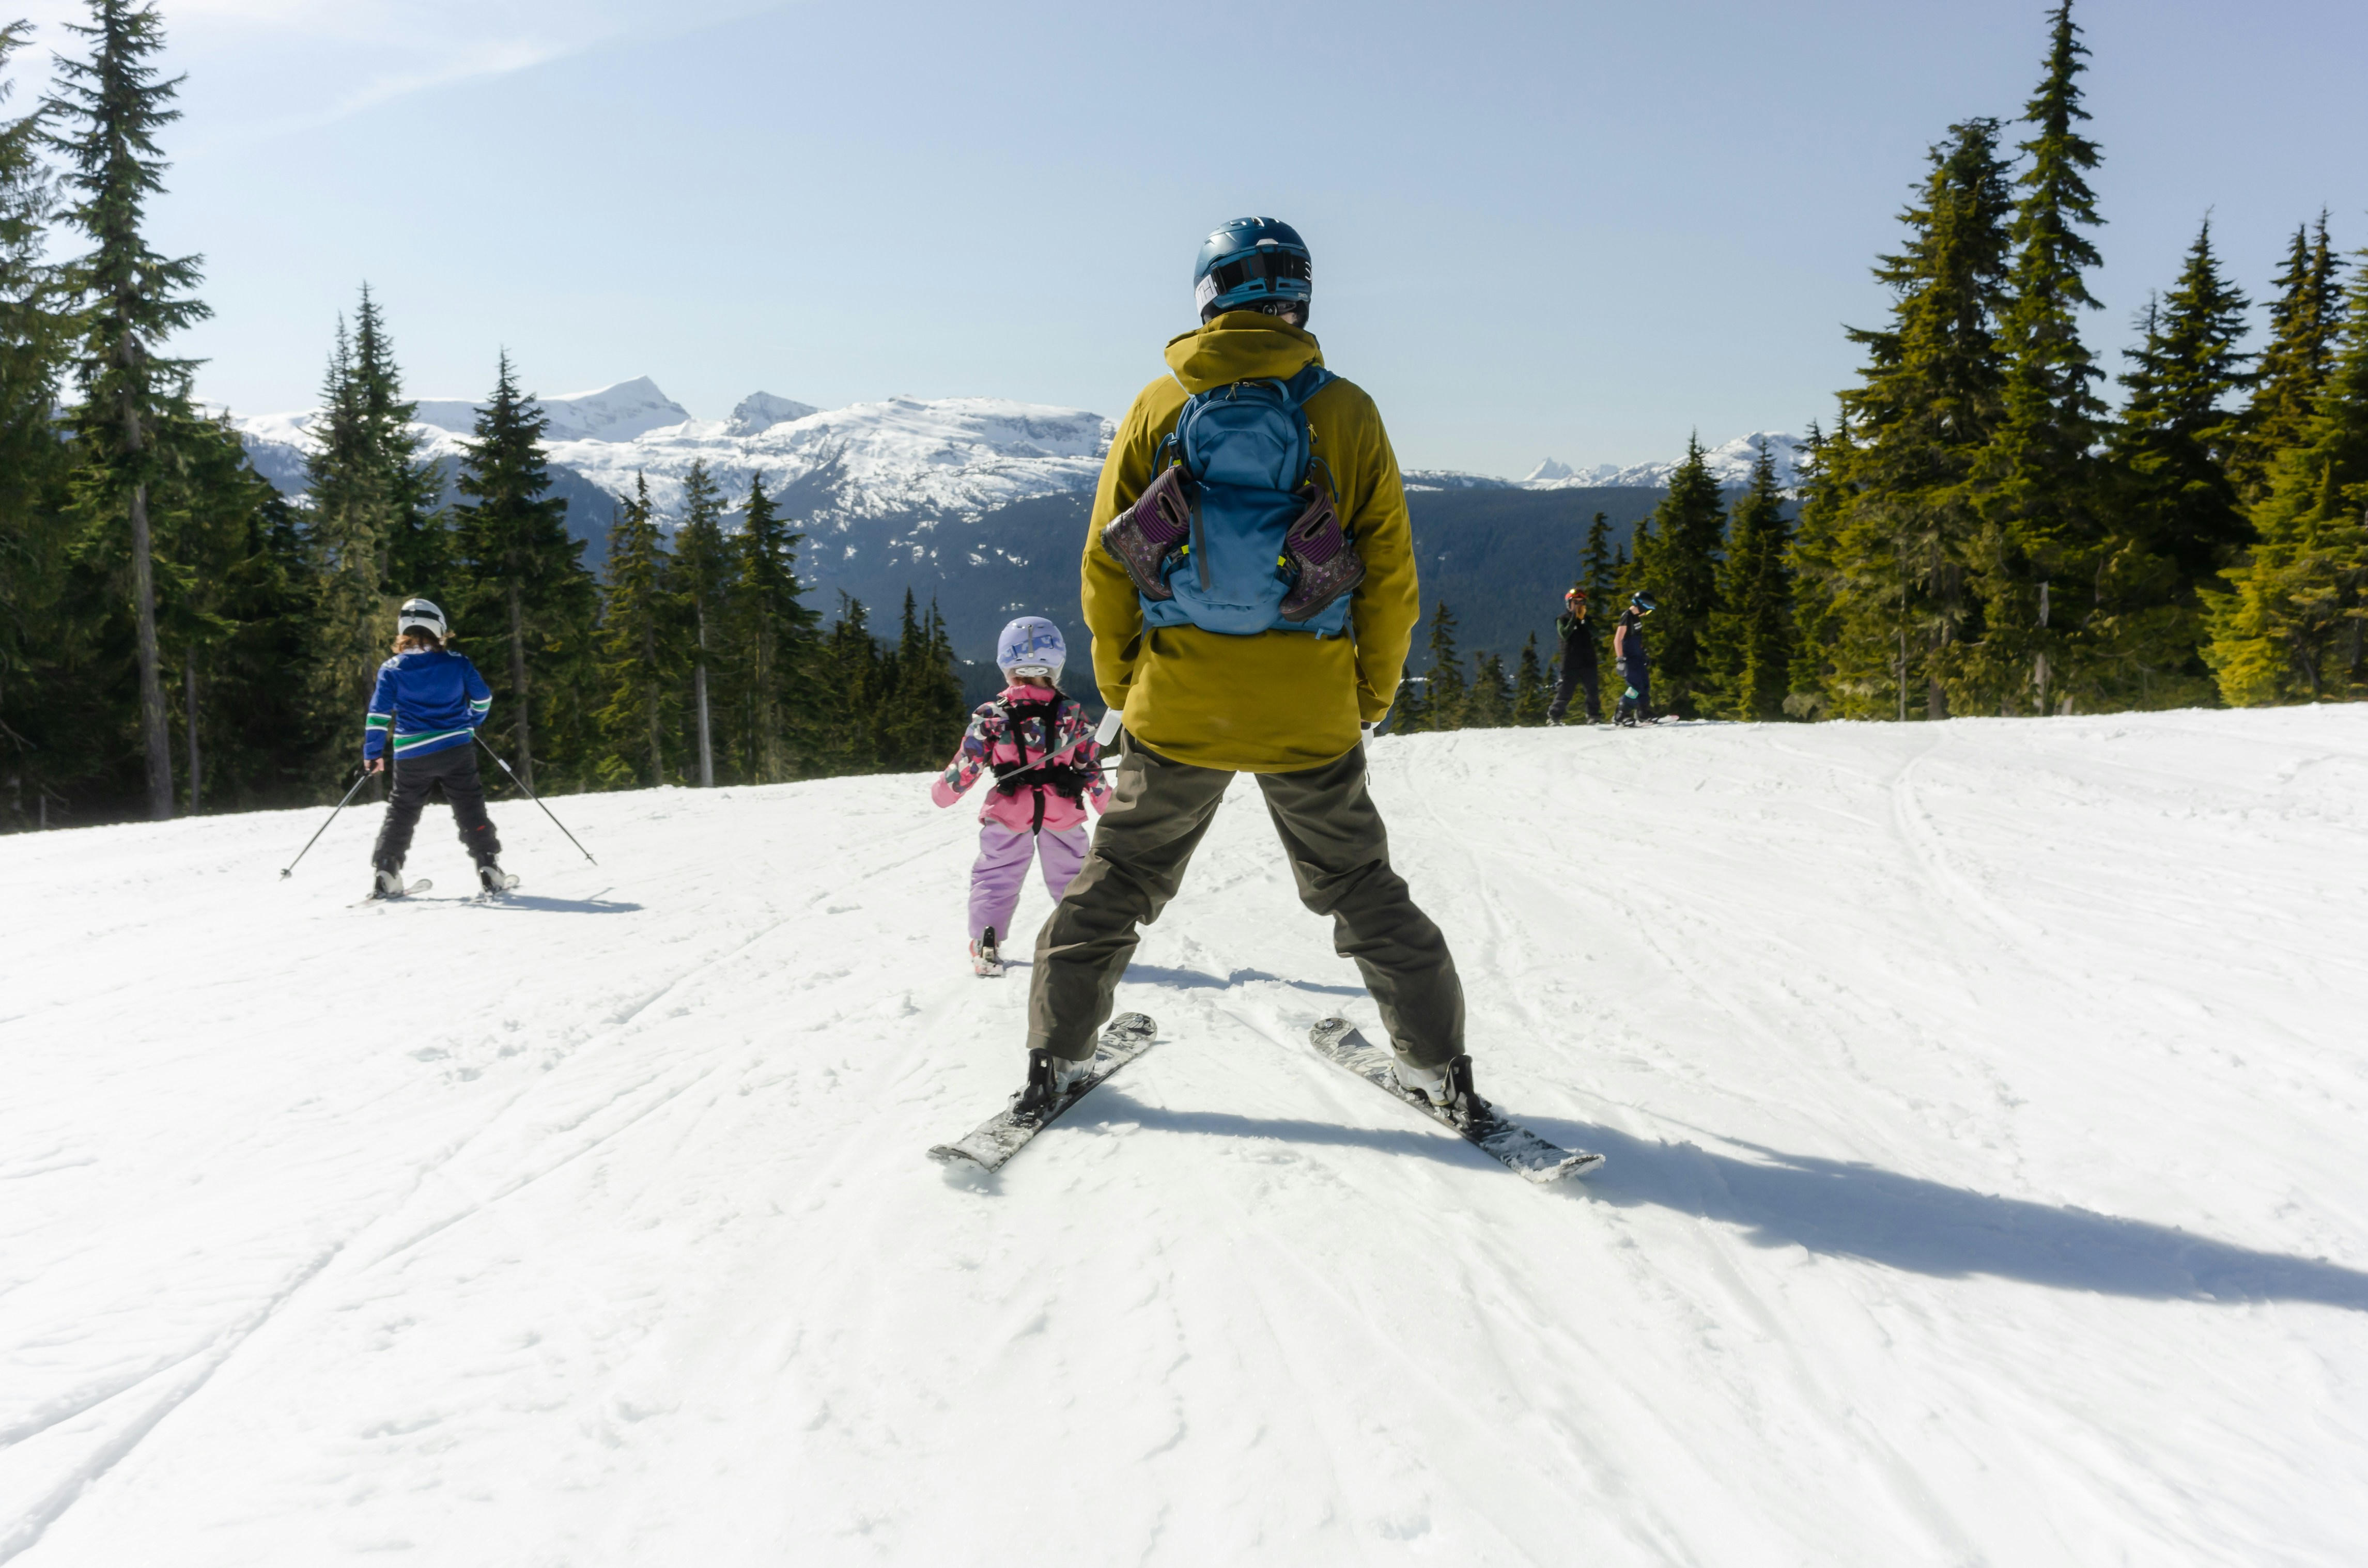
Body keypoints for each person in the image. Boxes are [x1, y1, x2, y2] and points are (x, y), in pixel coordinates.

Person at [1025, 215, 1469, 1114]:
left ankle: (1054, 1056)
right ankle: (1435, 1070)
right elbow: (1389, 577)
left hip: (1178, 704)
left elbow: (1106, 568)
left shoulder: (1158, 405)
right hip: (1308, 710)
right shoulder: (1345, 411)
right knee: (1361, 892)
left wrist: (1126, 688)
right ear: (1297, 297)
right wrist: (1366, 695)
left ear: (1206, 297)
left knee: (1116, 886)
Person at [932, 616, 1109, 977]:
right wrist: (1107, 802)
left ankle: (987, 940)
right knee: (1072, 873)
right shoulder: (1071, 713)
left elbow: (968, 762)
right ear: (1056, 665)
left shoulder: (992, 715)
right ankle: (1081, 940)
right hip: (1061, 807)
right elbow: (1089, 764)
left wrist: (944, 792)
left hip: (1009, 808)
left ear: (1005, 664)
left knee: (996, 873)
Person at [364, 598, 516, 898]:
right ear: (440, 628)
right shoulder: (458, 662)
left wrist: (373, 754)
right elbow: (483, 699)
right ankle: (487, 866)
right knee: (469, 805)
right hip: (455, 747)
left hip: (410, 753)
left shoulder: (391, 669)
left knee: (403, 808)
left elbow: (378, 715)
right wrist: (472, 721)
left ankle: (386, 870)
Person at [1546, 584, 1601, 725]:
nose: (1579, 605)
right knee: (1566, 691)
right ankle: (1554, 716)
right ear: (1569, 604)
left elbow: (1596, 633)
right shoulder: (1562, 619)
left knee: (1592, 691)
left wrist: (1583, 620)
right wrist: (1574, 619)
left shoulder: (1587, 620)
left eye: (1581, 602)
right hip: (1570, 662)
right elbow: (1565, 634)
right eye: (1575, 602)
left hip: (1588, 661)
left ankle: (1593, 716)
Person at [1613, 589, 1658, 726]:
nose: (1647, 614)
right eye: (1648, 611)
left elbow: (1637, 638)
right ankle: (1621, 714)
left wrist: (1644, 653)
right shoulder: (1627, 616)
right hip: (1629, 658)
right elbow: (1618, 639)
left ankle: (1643, 713)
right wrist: (1620, 660)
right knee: (1635, 686)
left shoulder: (1637, 618)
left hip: (1638, 656)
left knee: (1644, 684)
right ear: (1642, 606)